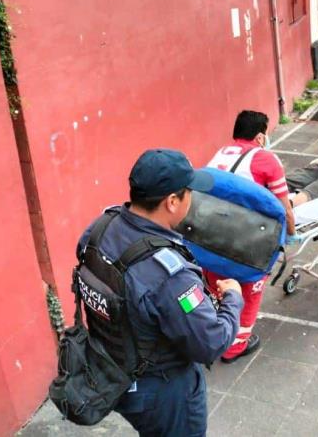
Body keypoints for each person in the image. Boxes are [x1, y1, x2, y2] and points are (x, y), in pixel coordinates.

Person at [76, 149, 244, 435]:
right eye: (189, 192)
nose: (192, 198)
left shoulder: (101, 227)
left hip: (114, 370)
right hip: (162, 392)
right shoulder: (170, 277)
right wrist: (233, 300)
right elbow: (211, 342)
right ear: (172, 201)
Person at [205, 111, 296, 362]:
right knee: (250, 292)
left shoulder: (219, 154)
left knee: (218, 286)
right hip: (246, 242)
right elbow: (283, 206)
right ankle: (235, 346)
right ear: (260, 136)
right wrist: (291, 233)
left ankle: (217, 331)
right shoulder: (266, 159)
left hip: (210, 237)